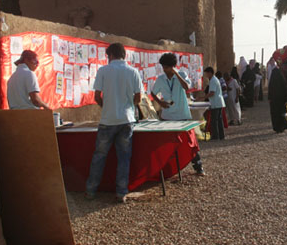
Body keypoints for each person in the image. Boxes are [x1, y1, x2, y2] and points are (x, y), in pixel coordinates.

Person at [85, 43, 143, 203]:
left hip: (107, 120)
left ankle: (91, 190)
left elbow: (97, 96)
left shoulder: (103, 71)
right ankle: (121, 192)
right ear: (124, 54)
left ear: (109, 55)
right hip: (127, 119)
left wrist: (107, 107)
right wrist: (130, 106)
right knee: (124, 157)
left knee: (99, 156)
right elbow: (139, 97)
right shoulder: (133, 71)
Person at [151, 52, 205, 175]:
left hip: (181, 115)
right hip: (167, 116)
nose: (164, 70)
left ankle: (198, 166)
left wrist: (176, 73)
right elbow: (153, 93)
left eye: (167, 67)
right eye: (163, 67)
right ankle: (165, 169)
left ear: (173, 66)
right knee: (166, 143)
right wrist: (160, 102)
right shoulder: (161, 79)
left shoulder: (181, 75)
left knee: (189, 141)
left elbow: (186, 87)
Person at [204, 67, 225, 140]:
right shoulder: (214, 79)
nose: (206, 75)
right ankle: (221, 136)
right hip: (218, 102)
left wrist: (203, 97)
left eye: (206, 73)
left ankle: (215, 137)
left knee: (214, 121)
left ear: (210, 73)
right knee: (219, 120)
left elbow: (212, 93)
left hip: (216, 103)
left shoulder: (213, 80)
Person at [267, 60, 287, 133]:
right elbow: (283, 87)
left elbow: (271, 86)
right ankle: (279, 127)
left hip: (276, 98)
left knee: (277, 113)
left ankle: (279, 127)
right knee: (279, 113)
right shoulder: (278, 73)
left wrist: (270, 97)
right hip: (278, 98)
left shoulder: (278, 73)